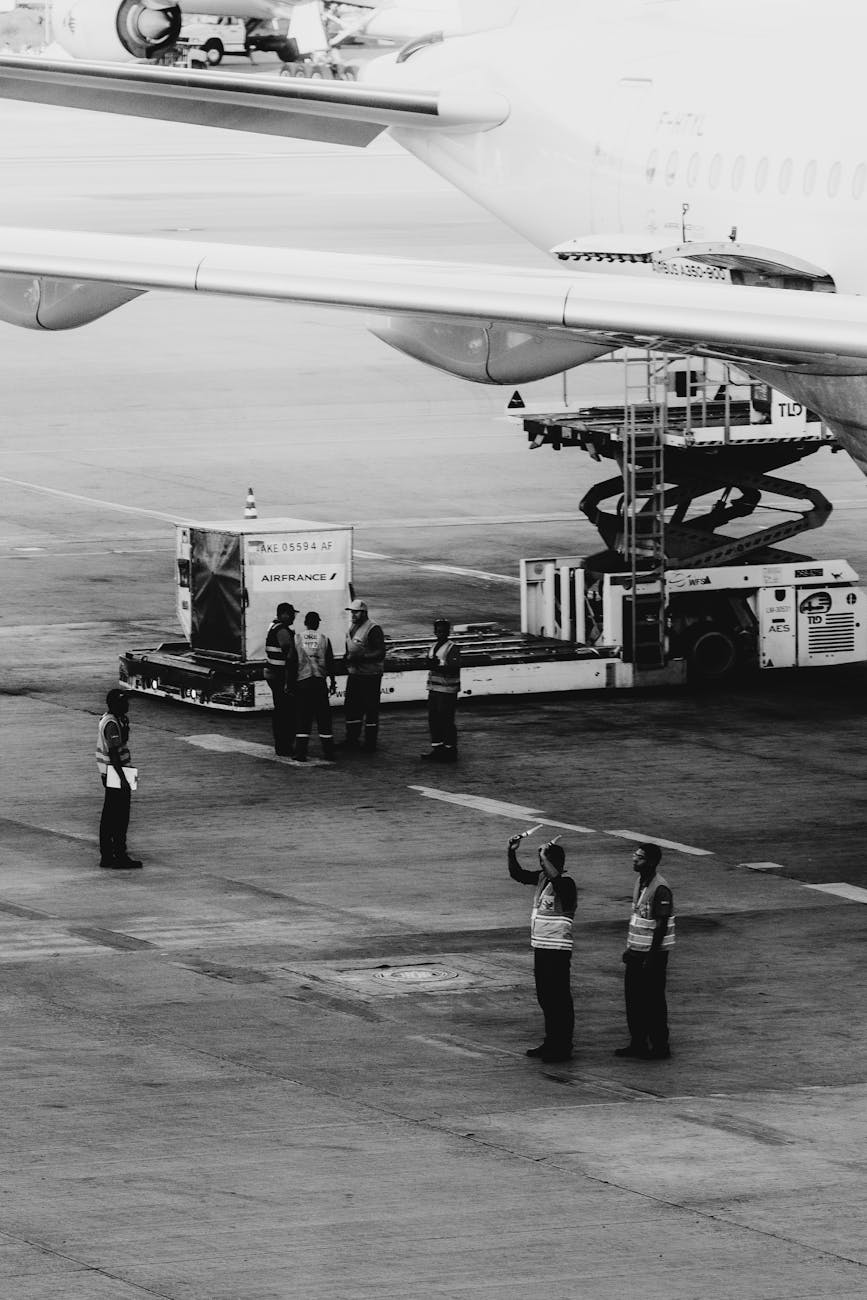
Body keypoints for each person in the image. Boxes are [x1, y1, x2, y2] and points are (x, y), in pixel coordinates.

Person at [508, 833, 577, 1063]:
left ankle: (563, 1045)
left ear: (553, 863)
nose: (541, 866)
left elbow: (557, 880)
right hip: (542, 947)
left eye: (544, 862)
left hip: (558, 949)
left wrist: (545, 856)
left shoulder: (566, 884)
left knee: (559, 999)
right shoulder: (542, 879)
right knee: (546, 997)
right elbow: (517, 874)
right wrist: (512, 851)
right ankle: (551, 1041)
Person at [615, 843, 675, 1060]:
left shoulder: (660, 888)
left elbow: (660, 924)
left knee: (654, 1001)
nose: (634, 859)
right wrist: (630, 949)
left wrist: (651, 956)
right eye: (634, 855)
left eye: (639, 857)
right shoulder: (640, 882)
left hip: (653, 955)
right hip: (636, 952)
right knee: (633, 999)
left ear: (650, 862)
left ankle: (660, 1046)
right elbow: (639, 920)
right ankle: (638, 1042)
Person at [95, 688, 142, 869]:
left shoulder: (115, 720)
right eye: (124, 702)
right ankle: (117, 855)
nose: (128, 705)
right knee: (118, 817)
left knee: (112, 815)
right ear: (116, 704)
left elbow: (122, 744)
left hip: (117, 771)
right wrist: (123, 780)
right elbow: (114, 753)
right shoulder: (111, 723)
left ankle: (109, 855)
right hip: (116, 772)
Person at [342, 598, 386, 751]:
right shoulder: (351, 628)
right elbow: (349, 648)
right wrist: (346, 658)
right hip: (355, 673)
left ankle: (370, 742)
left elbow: (380, 652)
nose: (352, 615)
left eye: (355, 612)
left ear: (364, 613)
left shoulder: (373, 628)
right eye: (351, 612)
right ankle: (351, 739)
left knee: (370, 708)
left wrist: (361, 658)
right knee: (352, 707)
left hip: (370, 675)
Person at [294, 611, 338, 762]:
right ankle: (329, 752)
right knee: (324, 719)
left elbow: (291, 661)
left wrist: (289, 683)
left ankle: (300, 753)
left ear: (305, 622)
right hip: (319, 683)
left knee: (303, 718)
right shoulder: (324, 639)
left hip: (303, 682)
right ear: (317, 623)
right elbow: (331, 662)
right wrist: (332, 681)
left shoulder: (297, 638)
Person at [420, 616, 461, 762]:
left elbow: (454, 667)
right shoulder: (433, 647)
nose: (440, 634)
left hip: (447, 691)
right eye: (438, 631)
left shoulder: (452, 648)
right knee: (434, 720)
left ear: (448, 632)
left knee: (446, 720)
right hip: (434, 689)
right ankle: (438, 748)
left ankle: (450, 750)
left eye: (443, 631)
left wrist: (437, 666)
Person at [264, 602, 299, 757]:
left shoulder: (273, 627)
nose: (293, 617)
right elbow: (289, 654)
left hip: (273, 674)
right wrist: (289, 680)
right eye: (291, 614)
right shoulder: (282, 630)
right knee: (286, 712)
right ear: (284, 614)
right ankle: (285, 745)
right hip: (280, 676)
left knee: (280, 711)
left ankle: (281, 745)